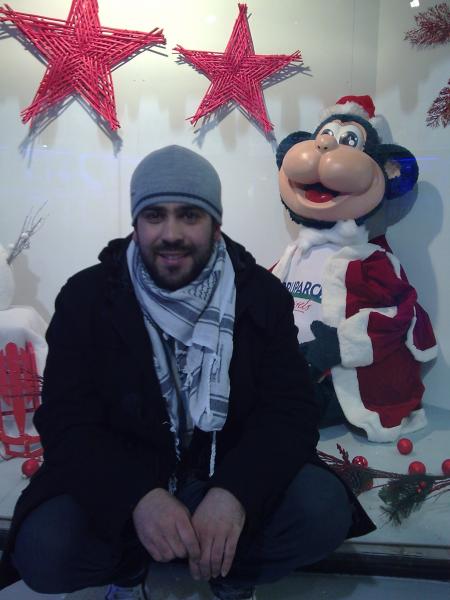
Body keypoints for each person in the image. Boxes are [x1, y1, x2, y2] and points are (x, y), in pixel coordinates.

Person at [0, 146, 374, 600]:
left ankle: (232, 574)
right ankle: (130, 569)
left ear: (215, 223)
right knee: (45, 548)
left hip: (222, 468)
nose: (171, 234)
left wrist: (235, 493)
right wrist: (137, 497)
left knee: (322, 510)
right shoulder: (88, 297)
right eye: (155, 215)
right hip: (129, 472)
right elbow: (66, 418)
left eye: (190, 215)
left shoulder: (259, 295)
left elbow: (290, 410)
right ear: (136, 223)